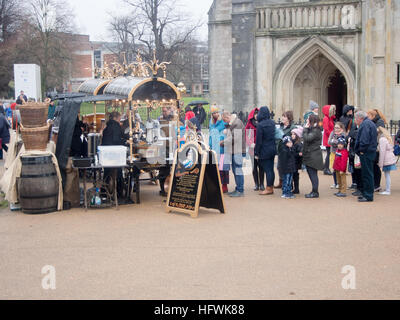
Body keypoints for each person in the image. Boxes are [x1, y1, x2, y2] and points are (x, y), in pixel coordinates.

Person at [221, 111, 246, 197]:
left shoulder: (237, 123)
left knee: (238, 170)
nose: (225, 122)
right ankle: (238, 188)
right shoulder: (234, 123)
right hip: (235, 150)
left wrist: (223, 142)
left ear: (228, 116)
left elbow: (234, 138)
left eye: (225, 120)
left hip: (237, 151)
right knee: (235, 170)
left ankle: (240, 190)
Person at [354, 111, 378, 202]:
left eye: (356, 119)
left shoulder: (365, 125)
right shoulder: (369, 123)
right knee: (367, 173)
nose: (355, 121)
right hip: (369, 151)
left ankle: (368, 195)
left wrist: (361, 150)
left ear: (360, 118)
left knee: (367, 174)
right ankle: (366, 193)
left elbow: (364, 140)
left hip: (366, 152)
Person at [254, 106, 277, 195]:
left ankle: (268, 188)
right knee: (271, 169)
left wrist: (256, 152)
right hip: (272, 148)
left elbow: (259, 141)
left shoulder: (260, 125)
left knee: (267, 170)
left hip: (264, 149)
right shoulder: (272, 123)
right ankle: (270, 186)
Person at [302, 114, 324, 198]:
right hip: (311, 154)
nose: (307, 121)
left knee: (313, 174)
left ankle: (315, 192)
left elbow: (307, 138)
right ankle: (314, 190)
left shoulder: (315, 130)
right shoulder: (314, 129)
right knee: (311, 173)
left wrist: (305, 129)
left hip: (313, 155)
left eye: (308, 119)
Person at [209, 105, 229, 193]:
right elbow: (210, 135)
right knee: (216, 168)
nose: (216, 114)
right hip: (215, 148)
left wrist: (224, 141)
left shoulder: (222, 122)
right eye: (214, 113)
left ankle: (224, 185)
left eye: (217, 112)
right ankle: (218, 184)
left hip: (222, 147)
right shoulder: (211, 123)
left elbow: (228, 131)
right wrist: (210, 145)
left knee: (223, 168)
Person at [367, 109, 387, 192]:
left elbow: (379, 131)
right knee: (374, 166)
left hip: (377, 146)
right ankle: (375, 184)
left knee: (376, 166)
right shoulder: (375, 121)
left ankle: (377, 184)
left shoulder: (380, 121)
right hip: (374, 145)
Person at [245, 107, 265, 191]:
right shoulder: (249, 123)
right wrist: (250, 143)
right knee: (254, 167)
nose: (256, 116)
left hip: (260, 147)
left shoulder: (263, 123)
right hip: (252, 148)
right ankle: (256, 183)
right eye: (255, 114)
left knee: (261, 167)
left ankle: (262, 184)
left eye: (258, 114)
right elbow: (245, 135)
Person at [275, 111, 296, 189]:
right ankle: (281, 182)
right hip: (280, 151)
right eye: (282, 116)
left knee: (287, 169)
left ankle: (288, 184)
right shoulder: (280, 127)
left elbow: (294, 139)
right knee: (279, 167)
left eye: (285, 116)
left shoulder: (292, 128)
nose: (282, 118)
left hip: (288, 152)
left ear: (289, 118)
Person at [340, 105, 357, 189]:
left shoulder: (350, 118)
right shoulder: (347, 119)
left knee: (352, 163)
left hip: (349, 142)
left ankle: (354, 182)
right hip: (347, 141)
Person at [377, 127, 397, 196]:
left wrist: (380, 164)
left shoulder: (382, 139)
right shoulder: (387, 138)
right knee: (387, 175)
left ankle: (388, 190)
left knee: (387, 175)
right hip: (390, 157)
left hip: (386, 159)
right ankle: (387, 189)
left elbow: (382, 152)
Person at [328, 122, 347, 189]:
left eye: (338, 128)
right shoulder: (332, 133)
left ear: (341, 128)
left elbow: (343, 143)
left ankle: (341, 184)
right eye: (335, 128)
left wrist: (335, 141)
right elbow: (329, 142)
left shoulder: (343, 134)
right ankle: (336, 183)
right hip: (333, 152)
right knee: (333, 168)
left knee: (340, 168)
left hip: (341, 153)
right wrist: (337, 142)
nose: (336, 129)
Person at [322, 104, 336, 175]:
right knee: (328, 153)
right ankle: (326, 168)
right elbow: (326, 129)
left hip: (330, 137)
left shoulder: (330, 118)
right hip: (328, 138)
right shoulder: (326, 118)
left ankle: (327, 168)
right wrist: (332, 136)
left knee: (330, 153)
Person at [291, 127, 303, 194]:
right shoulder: (292, 143)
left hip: (295, 163)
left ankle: (296, 189)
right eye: (292, 134)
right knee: (294, 175)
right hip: (293, 162)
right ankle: (294, 188)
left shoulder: (298, 144)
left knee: (295, 176)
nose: (292, 135)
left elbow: (299, 154)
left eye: (294, 134)